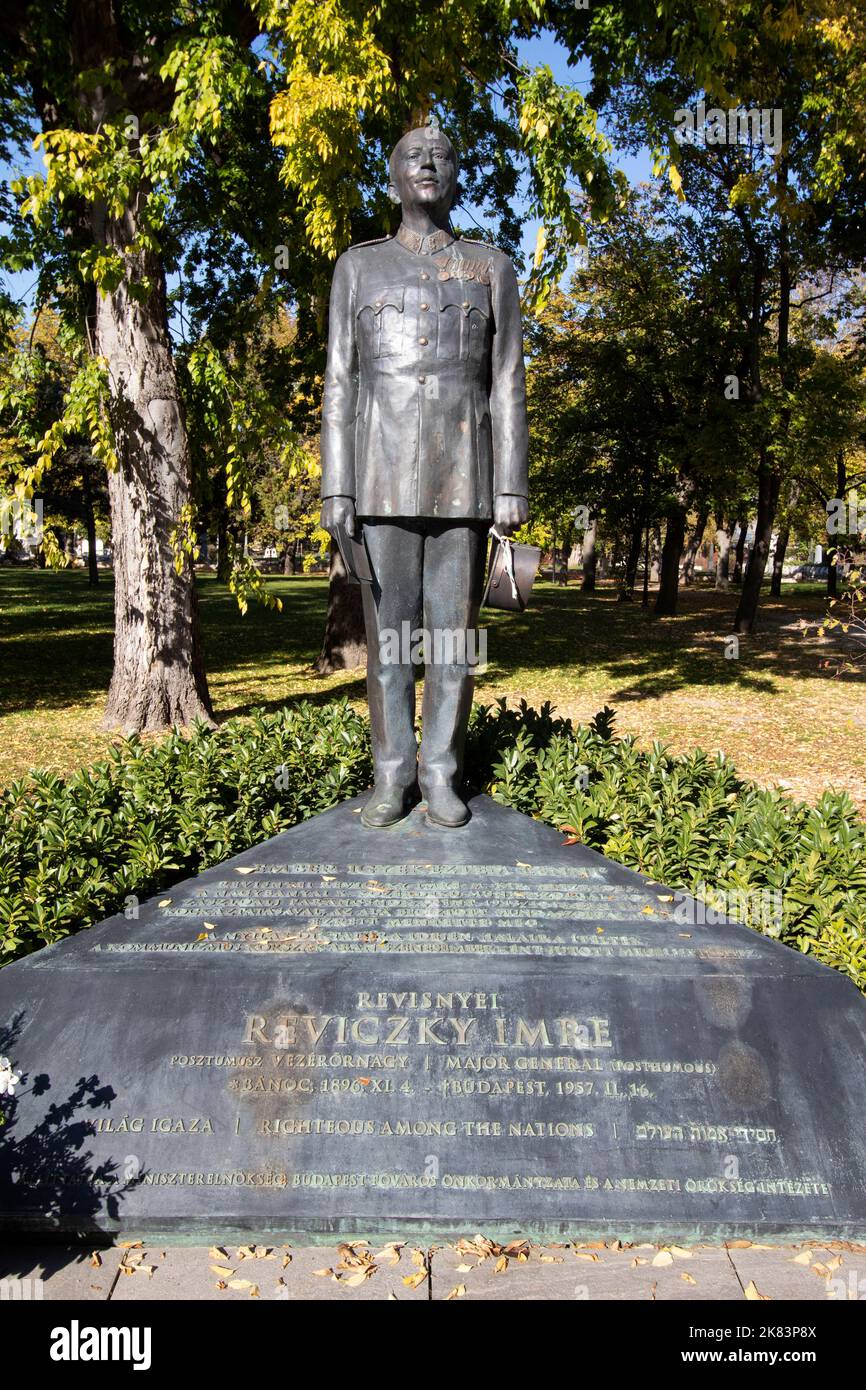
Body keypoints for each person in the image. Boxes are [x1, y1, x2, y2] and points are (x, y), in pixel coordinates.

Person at [320, 122, 528, 828]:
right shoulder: (358, 266)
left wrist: (511, 484)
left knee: (452, 642)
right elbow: (340, 383)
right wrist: (336, 487)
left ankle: (441, 772)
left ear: (456, 174)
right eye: (414, 156)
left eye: (442, 154)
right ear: (393, 178)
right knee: (389, 645)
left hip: (466, 481)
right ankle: (391, 775)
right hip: (378, 479)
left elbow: (507, 383)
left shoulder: (492, 266)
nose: (429, 163)